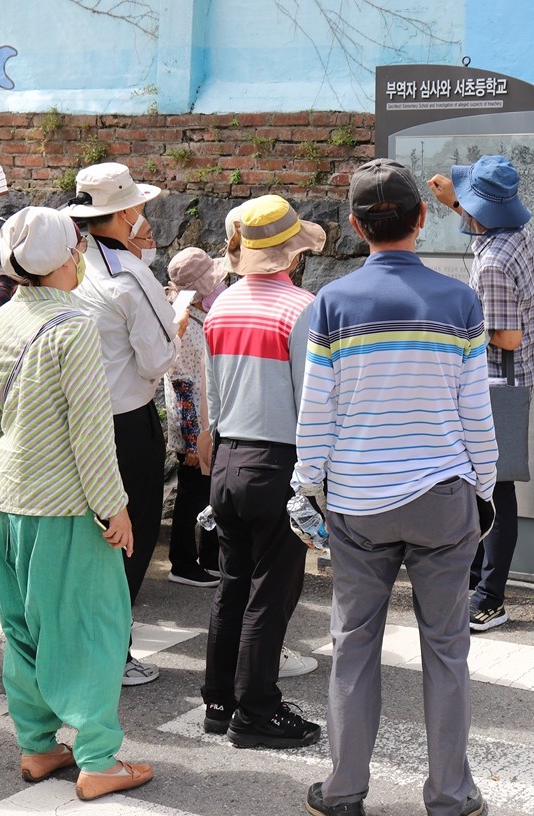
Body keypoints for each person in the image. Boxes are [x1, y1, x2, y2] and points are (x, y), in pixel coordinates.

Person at [294, 159, 495, 816]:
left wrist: (305, 487)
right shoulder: (460, 301)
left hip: (357, 505)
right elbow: (476, 413)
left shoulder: (332, 304)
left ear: (355, 226)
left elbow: (316, 412)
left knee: (353, 646)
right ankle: (449, 795)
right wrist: (484, 489)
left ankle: (344, 790)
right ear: (421, 217)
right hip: (443, 498)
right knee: (447, 651)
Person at [0, 206, 152, 802]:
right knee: (97, 628)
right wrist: (115, 507)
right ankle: (99, 758)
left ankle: (39, 744)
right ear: (60, 258)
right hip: (67, 506)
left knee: (23, 627)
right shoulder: (73, 327)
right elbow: (90, 431)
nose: (81, 258)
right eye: (75, 250)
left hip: (10, 501)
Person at [201, 194, 323, 748]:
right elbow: (313, 399)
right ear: (293, 255)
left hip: (228, 456)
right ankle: (256, 710)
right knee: (271, 593)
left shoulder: (222, 305)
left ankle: (219, 701)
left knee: (232, 585)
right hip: (277, 460)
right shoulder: (302, 308)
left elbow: (210, 394)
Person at [65, 162, 178, 687]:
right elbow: (159, 359)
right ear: (127, 212)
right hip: (125, 421)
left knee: (86, 539)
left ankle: (80, 643)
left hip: (72, 418)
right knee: (128, 537)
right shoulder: (129, 276)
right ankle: (113, 650)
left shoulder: (67, 263)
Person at [428, 155, 534, 632]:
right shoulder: (513, 237)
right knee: (488, 484)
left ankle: (490, 594)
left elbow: (506, 337)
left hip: (496, 382)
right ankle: (478, 581)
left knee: (496, 487)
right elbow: (485, 223)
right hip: (511, 380)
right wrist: (456, 202)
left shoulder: (492, 261)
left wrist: (458, 328)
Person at [164, 247, 224, 588]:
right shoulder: (184, 324)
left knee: (209, 494)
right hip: (194, 430)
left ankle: (210, 557)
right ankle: (183, 561)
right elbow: (180, 385)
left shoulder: (194, 318)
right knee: (191, 498)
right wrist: (190, 441)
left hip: (206, 425)